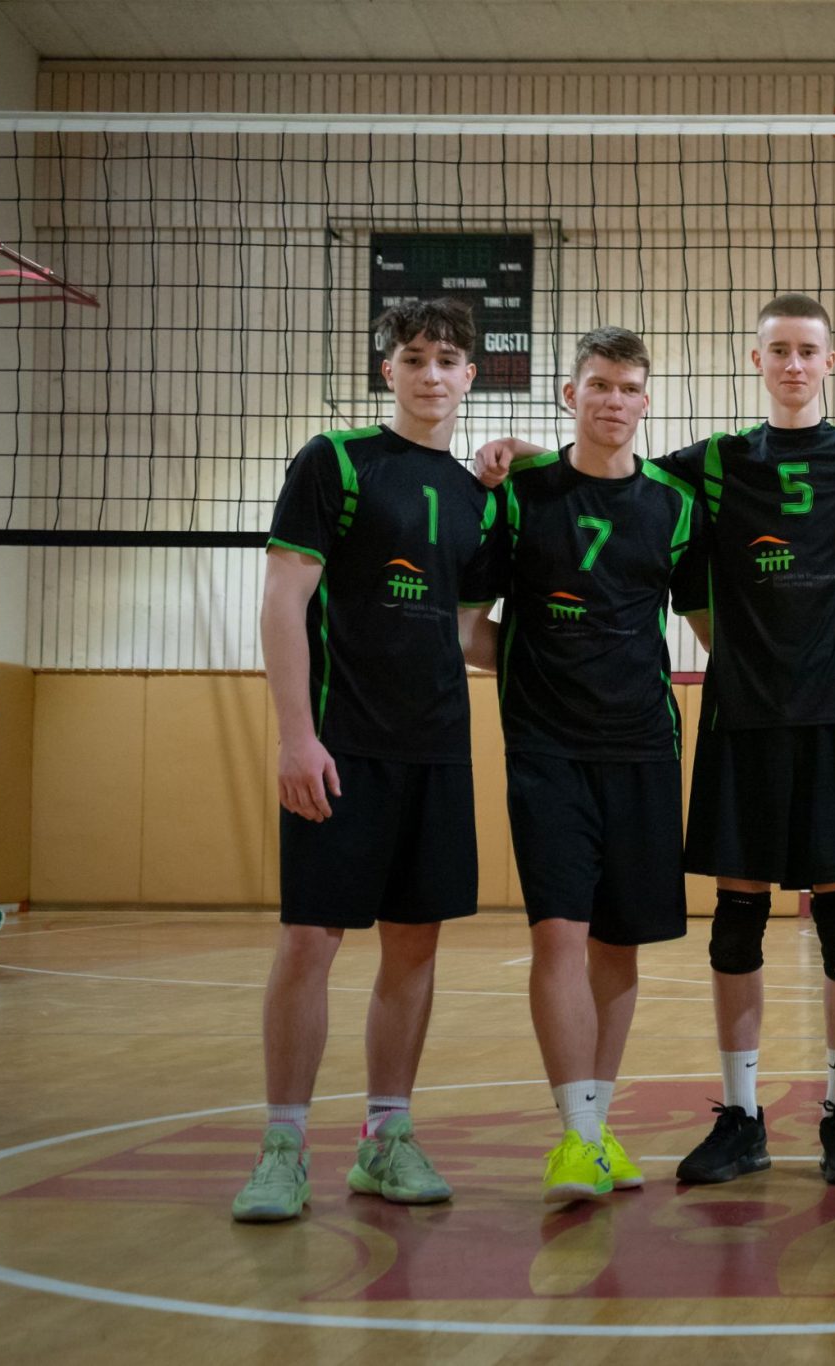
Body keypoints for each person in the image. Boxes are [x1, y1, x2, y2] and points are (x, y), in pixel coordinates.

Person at [233, 297, 499, 1223]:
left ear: (471, 375)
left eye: (448, 360)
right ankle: (282, 1147)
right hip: (340, 745)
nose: (432, 374)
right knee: (310, 940)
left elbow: (466, 633)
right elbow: (283, 599)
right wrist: (295, 735)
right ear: (388, 370)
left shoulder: (477, 498)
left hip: (437, 749)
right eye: (415, 358)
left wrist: (585, 649)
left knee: (414, 946)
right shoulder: (336, 461)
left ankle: (387, 1138)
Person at [462, 327, 697, 1203]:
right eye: (599, 385)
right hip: (547, 748)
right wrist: (539, 665)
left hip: (643, 746)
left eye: (629, 388)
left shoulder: (674, 505)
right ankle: (577, 1135)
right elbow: (465, 629)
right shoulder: (521, 497)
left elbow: (708, 624)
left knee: (618, 943)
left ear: (646, 400)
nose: (613, 401)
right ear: (571, 395)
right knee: (558, 933)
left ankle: (597, 1125)